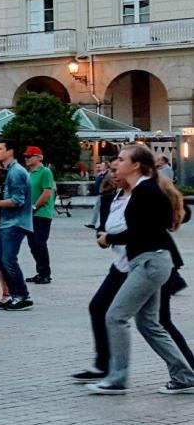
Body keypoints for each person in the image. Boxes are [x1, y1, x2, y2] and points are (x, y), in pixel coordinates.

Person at [73, 155, 194, 383]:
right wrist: (107, 236)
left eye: (118, 166)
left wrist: (112, 238)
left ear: (134, 167)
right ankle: (104, 365)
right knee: (101, 308)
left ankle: (186, 369)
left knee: (155, 321)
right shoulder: (116, 195)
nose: (113, 172)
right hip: (124, 264)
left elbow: (174, 215)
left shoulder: (149, 190)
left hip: (149, 262)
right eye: (111, 170)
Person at [0, 139, 35, 310]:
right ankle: (15, 295)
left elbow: (17, 200)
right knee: (1, 260)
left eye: (1, 149)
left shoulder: (16, 172)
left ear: (10, 151)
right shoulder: (11, 171)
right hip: (7, 222)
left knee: (8, 259)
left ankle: (22, 296)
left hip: (15, 222)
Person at [25, 147, 58, 285]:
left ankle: (45, 274)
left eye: (30, 156)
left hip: (41, 213)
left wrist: (34, 207)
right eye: (26, 157)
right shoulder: (29, 174)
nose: (26, 159)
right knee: (33, 244)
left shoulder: (45, 171)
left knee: (39, 243)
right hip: (29, 214)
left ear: (39, 157)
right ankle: (40, 272)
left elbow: (47, 192)